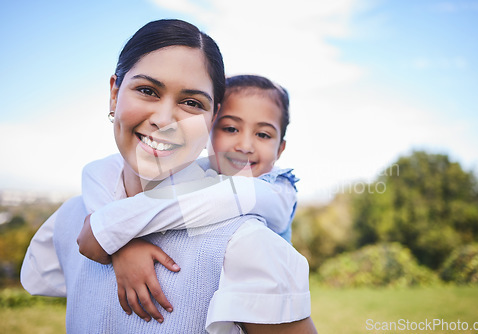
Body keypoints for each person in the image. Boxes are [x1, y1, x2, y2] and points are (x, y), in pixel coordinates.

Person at [20, 19, 317, 333]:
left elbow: (226, 198)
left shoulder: (244, 242)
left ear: (212, 117)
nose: (163, 120)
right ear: (114, 93)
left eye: (191, 102)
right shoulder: (70, 217)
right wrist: (116, 237)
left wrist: (110, 231)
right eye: (147, 90)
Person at [76, 74, 299, 322]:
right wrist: (123, 244)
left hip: (262, 315)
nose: (245, 145)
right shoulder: (203, 170)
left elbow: (219, 198)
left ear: (280, 149)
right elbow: (99, 169)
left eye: (264, 135)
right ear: (207, 132)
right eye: (231, 129)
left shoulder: (278, 190)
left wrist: (109, 228)